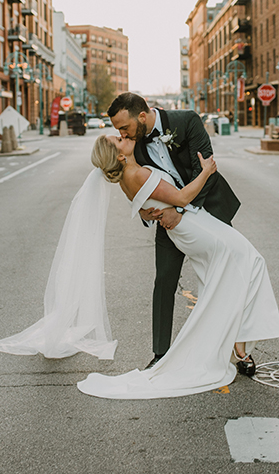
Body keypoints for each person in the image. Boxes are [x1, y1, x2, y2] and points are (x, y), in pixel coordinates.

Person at [0, 135, 279, 399]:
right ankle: (234, 343)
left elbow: (144, 207)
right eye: (118, 140)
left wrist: (154, 210)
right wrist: (206, 171)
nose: (123, 137)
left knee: (221, 278)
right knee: (251, 261)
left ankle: (237, 343)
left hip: (187, 227)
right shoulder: (137, 173)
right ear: (118, 155)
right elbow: (181, 197)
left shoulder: (127, 178)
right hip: (193, 225)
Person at [107, 92, 240, 370]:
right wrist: (147, 212)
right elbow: (135, 186)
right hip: (167, 224)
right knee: (164, 282)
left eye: (124, 127)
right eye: (118, 130)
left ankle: (240, 351)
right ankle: (160, 355)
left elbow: (203, 170)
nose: (122, 133)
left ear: (141, 116)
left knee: (226, 278)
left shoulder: (187, 121)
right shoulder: (135, 145)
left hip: (208, 211)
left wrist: (178, 212)